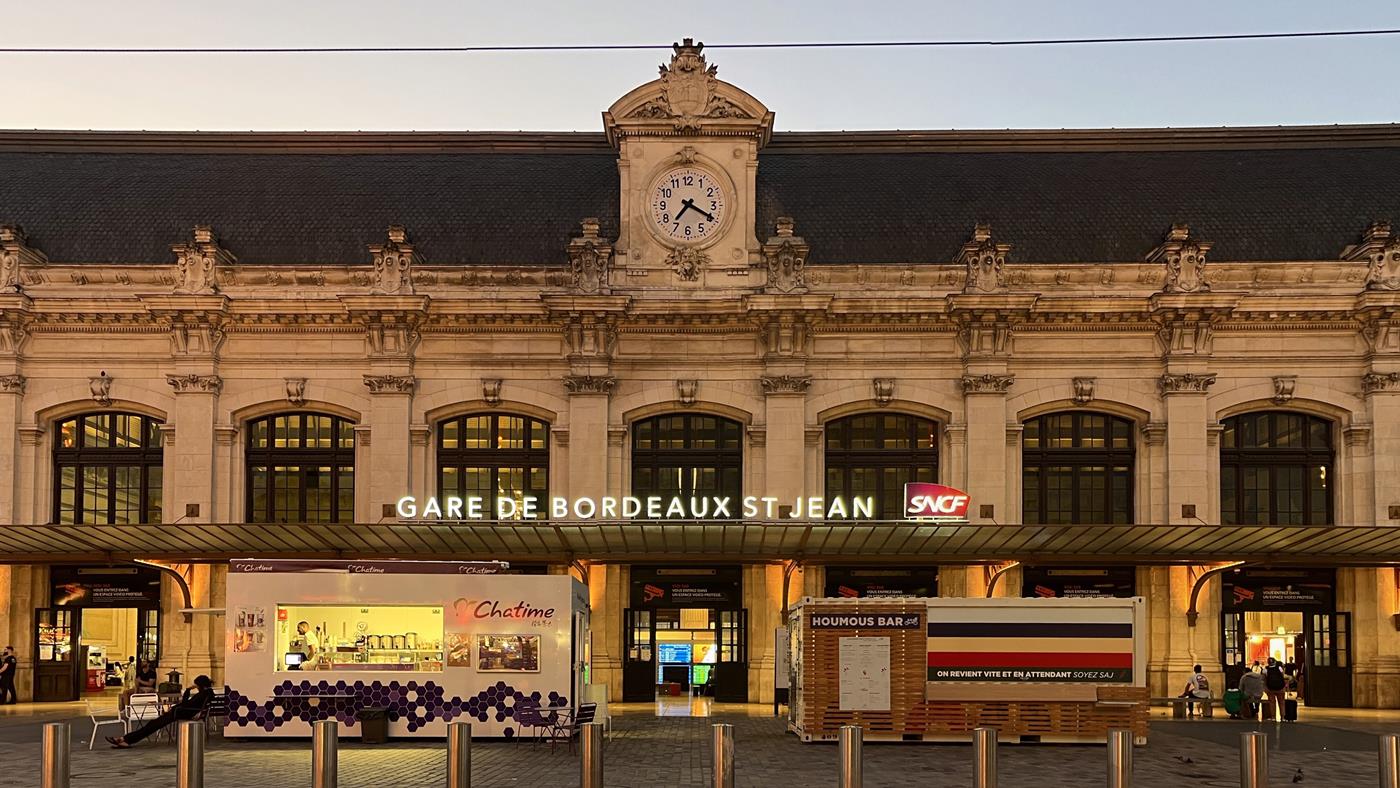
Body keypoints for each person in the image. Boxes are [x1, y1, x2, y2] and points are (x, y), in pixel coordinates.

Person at [106, 675, 213, 748]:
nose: (196, 687)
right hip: (181, 712)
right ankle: (124, 739)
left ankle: (125, 740)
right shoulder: (207, 693)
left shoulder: (202, 694)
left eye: (197, 685)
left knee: (152, 725)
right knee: (152, 725)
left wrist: (188, 691)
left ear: (200, 685)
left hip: (179, 713)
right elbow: (188, 704)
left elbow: (186, 704)